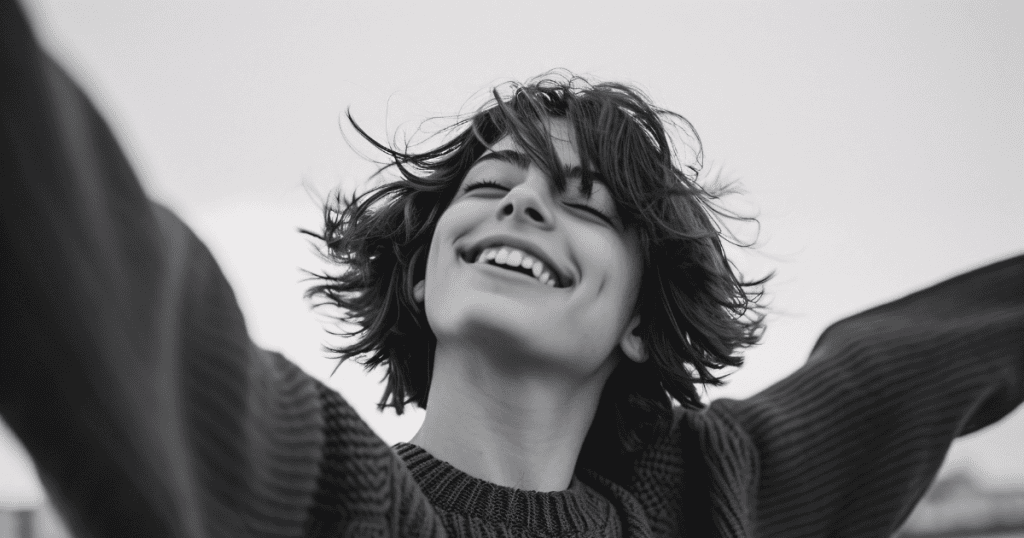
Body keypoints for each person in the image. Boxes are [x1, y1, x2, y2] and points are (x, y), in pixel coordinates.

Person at [3, 1, 1022, 537]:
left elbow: (908, 360)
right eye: (488, 187)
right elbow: (95, 267)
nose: (523, 202)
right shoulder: (324, 497)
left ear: (636, 317)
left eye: (584, 204)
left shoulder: (709, 505)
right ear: (422, 273)